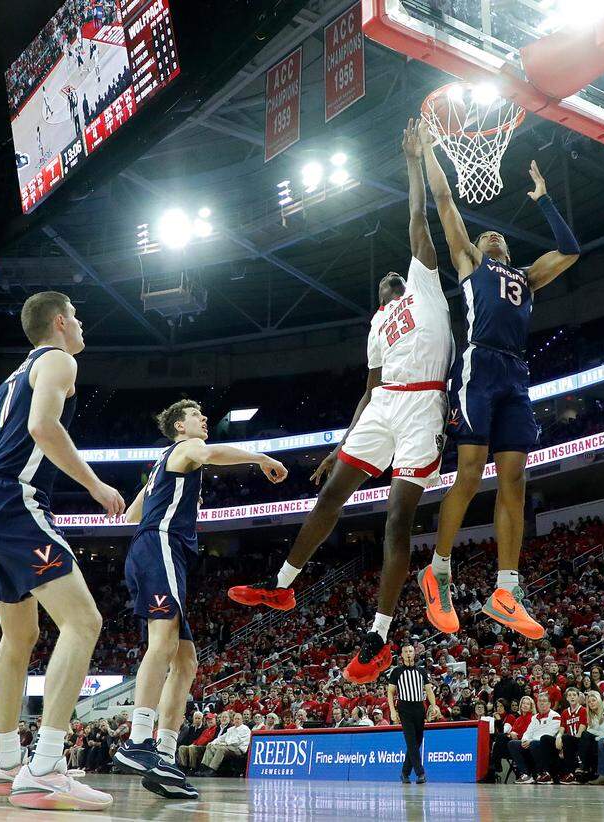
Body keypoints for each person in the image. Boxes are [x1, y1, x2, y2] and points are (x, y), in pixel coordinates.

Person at [229, 122, 452, 684]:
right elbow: (369, 388)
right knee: (330, 495)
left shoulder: (425, 288)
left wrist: (413, 161)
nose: (387, 280)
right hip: (381, 407)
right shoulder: (377, 324)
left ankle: (377, 636)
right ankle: (280, 586)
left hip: (423, 405)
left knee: (397, 520)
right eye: (380, 283)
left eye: (393, 277)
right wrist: (341, 444)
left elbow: (417, 221)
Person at [417, 126, 580, 641]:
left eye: (499, 236)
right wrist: (427, 149)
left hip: (516, 373)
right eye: (488, 235)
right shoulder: (470, 262)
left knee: (515, 479)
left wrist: (545, 200)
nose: (493, 236)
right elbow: (444, 198)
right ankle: (437, 569)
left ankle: (505, 590)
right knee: (469, 472)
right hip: (478, 366)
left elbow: (571, 250)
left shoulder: (527, 277)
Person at [0, 291, 123, 811]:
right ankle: (48, 764)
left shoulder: (11, 378)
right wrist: (97, 487)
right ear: (59, 322)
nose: (81, 325)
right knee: (84, 622)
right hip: (17, 502)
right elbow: (41, 427)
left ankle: (6, 759)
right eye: (76, 316)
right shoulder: (60, 360)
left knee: (20, 635)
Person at [114, 399, 285, 801]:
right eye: (196, 416)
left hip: (151, 549)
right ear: (178, 427)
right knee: (164, 644)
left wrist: (179, 503)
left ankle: (165, 758)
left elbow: (129, 516)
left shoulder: (162, 465)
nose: (204, 420)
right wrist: (260, 457)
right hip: (161, 547)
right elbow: (210, 454)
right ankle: (139, 739)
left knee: (186, 660)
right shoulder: (188, 448)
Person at [387, 643, 438, 784]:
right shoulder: (396, 671)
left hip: (419, 707)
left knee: (417, 741)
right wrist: (392, 711)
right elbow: (390, 693)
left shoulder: (421, 671)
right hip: (404, 708)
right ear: (401, 655)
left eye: (410, 651)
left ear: (414, 653)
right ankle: (420, 773)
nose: (409, 653)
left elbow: (428, 690)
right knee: (411, 741)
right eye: (406, 651)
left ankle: (404, 772)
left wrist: (434, 706)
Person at [195, 711, 251, 777]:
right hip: (228, 747)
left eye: (238, 719)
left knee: (221, 748)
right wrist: (213, 742)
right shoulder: (231, 729)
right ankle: (203, 768)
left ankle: (212, 770)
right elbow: (221, 738)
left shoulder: (245, 729)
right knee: (210, 746)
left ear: (242, 720)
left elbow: (236, 741)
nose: (236, 720)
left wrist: (224, 743)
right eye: (235, 719)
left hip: (238, 749)